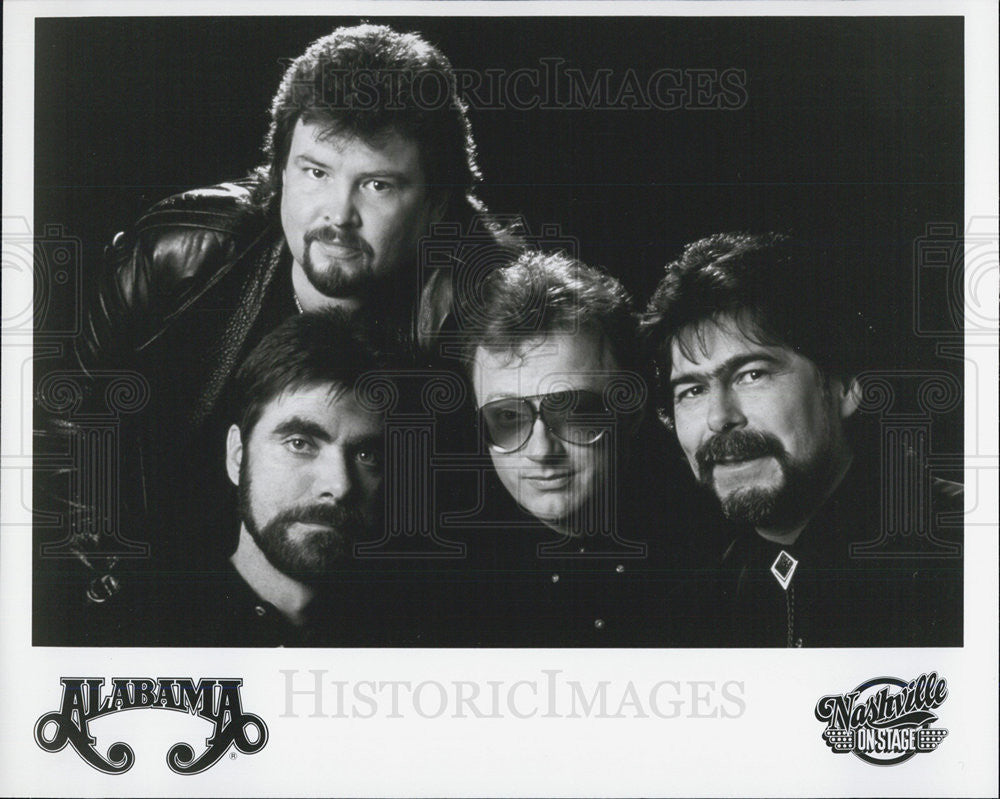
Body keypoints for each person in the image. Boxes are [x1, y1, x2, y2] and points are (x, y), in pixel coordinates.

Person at [35, 23, 515, 635]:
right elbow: (59, 433)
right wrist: (103, 605)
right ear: (279, 171)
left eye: (377, 184)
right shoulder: (180, 257)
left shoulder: (486, 313)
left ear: (438, 204)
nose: (337, 215)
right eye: (315, 172)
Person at [642, 231, 963, 647]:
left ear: (844, 388)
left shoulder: (966, 549)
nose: (720, 417)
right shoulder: (690, 612)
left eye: (752, 374)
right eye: (692, 390)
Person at [441, 250, 705, 646]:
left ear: (630, 411)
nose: (541, 450)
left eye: (573, 411)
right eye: (508, 419)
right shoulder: (454, 580)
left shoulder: (711, 553)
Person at [122, 310, 413, 646]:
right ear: (237, 455)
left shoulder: (402, 647)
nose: (340, 485)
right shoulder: (142, 633)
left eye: (367, 455)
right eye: (300, 443)